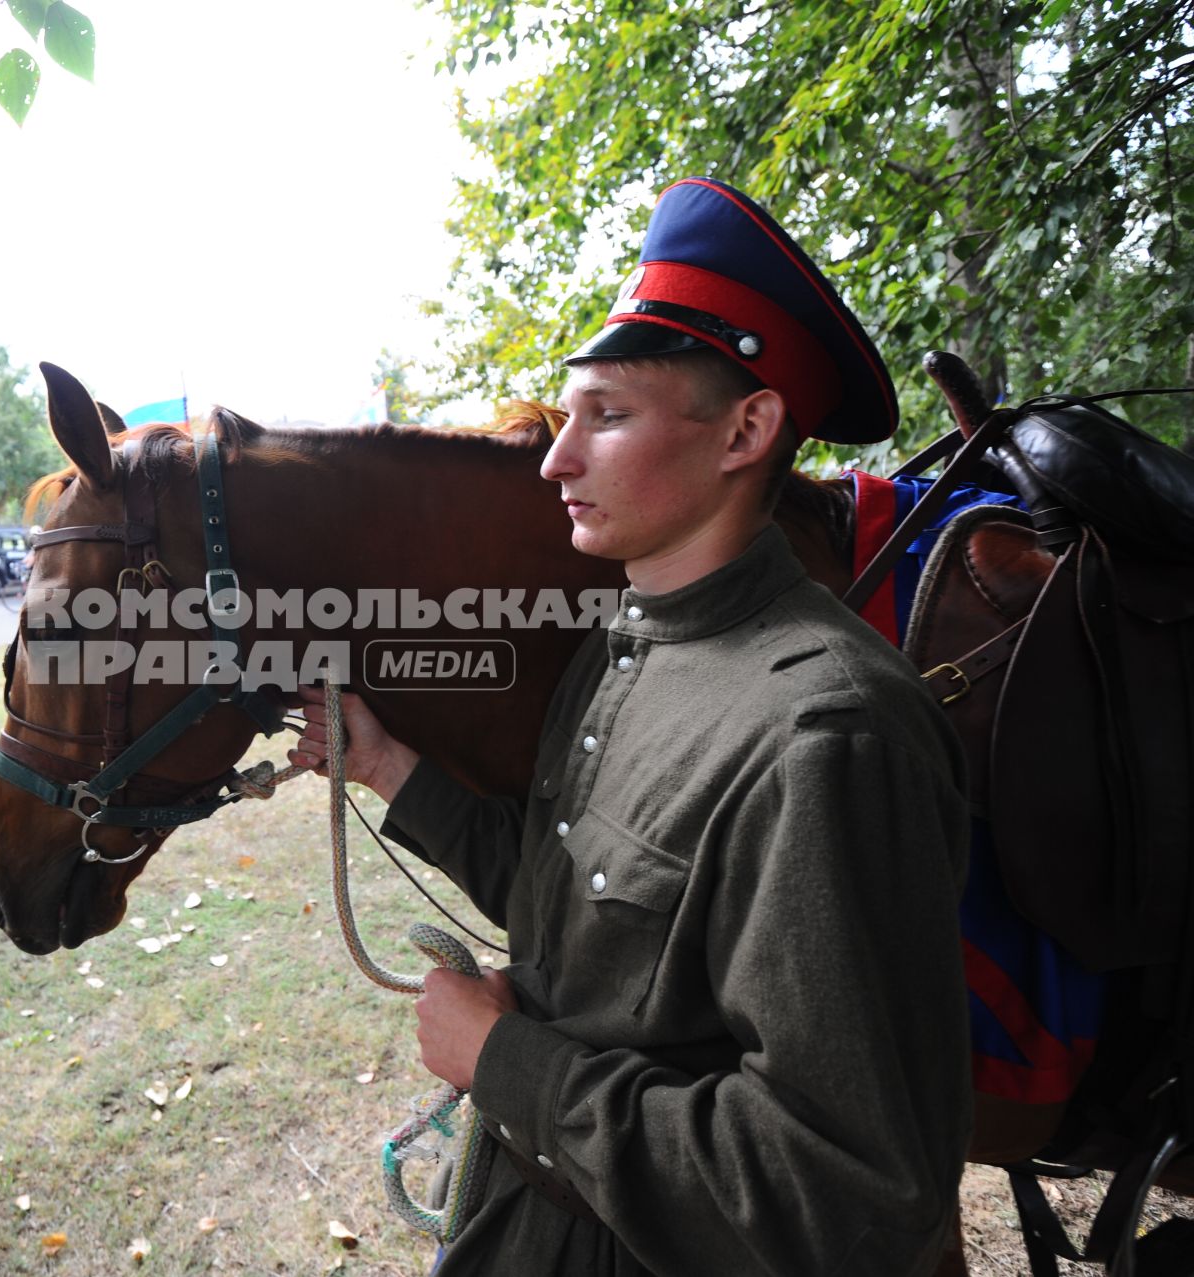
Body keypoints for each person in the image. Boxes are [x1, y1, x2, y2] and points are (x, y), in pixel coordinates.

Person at [288, 178, 971, 1277]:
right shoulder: (621, 642)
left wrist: (505, 1061)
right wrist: (383, 761)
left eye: (605, 415)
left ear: (748, 429)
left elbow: (850, 1194)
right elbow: (580, 913)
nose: (558, 457)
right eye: (568, 416)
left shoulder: (827, 734)